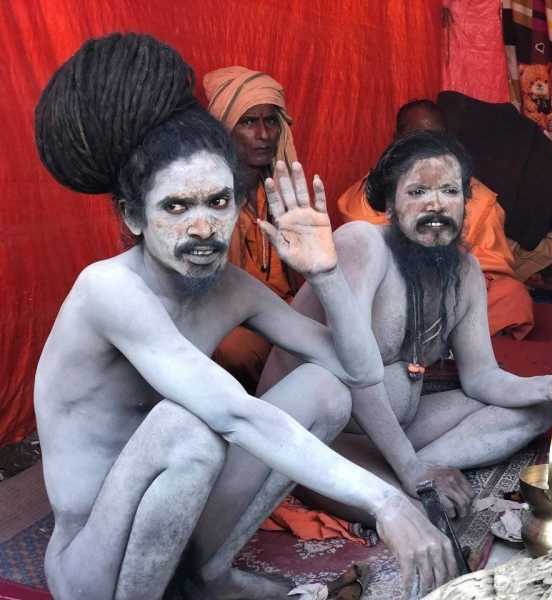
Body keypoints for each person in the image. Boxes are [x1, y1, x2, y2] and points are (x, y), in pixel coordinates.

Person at [33, 33, 456, 599]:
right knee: (188, 426)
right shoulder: (108, 289)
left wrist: (326, 275)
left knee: (324, 389)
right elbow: (235, 417)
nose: (203, 228)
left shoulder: (228, 287)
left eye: (218, 202)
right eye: (176, 207)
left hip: (175, 530)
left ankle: (205, 577)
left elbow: (359, 371)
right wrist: (385, 501)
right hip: (93, 565)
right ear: (134, 216)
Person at [263, 130, 552, 521]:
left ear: (466, 202)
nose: (436, 205)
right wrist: (409, 471)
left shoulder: (465, 271)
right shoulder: (362, 244)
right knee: (420, 514)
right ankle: (400, 477)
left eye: (449, 191)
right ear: (390, 205)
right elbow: (353, 374)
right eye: (416, 193)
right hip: (325, 435)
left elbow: (481, 377)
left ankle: (409, 469)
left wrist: (550, 384)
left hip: (401, 430)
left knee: (538, 409)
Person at [337, 99, 536, 339]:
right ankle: (443, 340)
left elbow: (493, 264)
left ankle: (441, 337)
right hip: (394, 293)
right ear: (397, 139)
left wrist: (456, 270)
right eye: (417, 137)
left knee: (512, 296)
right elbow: (362, 252)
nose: (427, 146)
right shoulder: (374, 191)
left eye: (435, 138)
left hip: (453, 292)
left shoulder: (477, 196)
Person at [203, 66, 299, 391]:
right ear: (225, 130)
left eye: (270, 121)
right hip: (232, 319)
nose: (264, 134)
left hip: (285, 315)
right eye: (248, 122)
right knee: (234, 349)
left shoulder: (286, 191)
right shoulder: (206, 197)